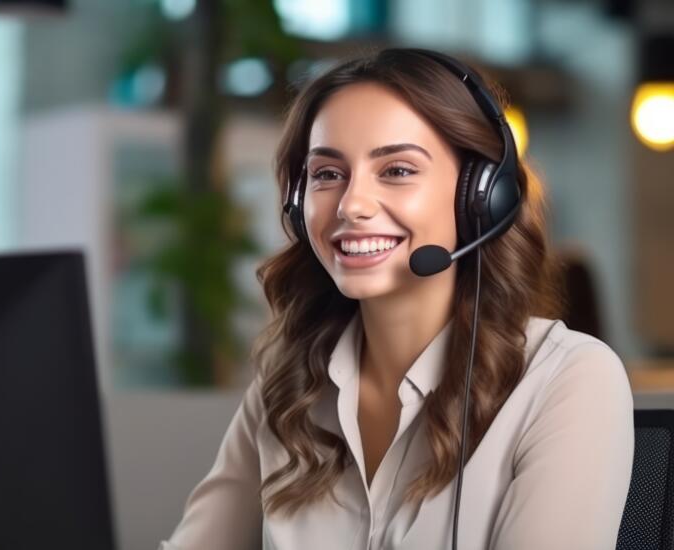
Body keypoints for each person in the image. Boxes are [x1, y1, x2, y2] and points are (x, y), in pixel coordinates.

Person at [159, 48, 634, 550]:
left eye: (397, 170)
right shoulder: (290, 382)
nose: (352, 204)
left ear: (479, 196)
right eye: (326, 174)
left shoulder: (567, 379)